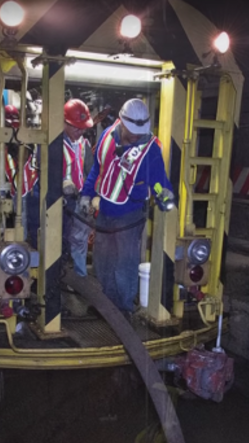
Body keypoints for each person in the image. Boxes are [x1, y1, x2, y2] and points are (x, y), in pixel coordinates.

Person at [80, 98, 175, 316]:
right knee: (103, 261)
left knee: (124, 264)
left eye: (139, 132)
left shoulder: (150, 150)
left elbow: (158, 181)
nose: (136, 136)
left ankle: (122, 309)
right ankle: (105, 304)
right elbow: (98, 168)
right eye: (132, 132)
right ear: (121, 122)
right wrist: (86, 194)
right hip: (104, 213)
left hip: (129, 216)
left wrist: (165, 196)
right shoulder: (106, 137)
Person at [61, 99, 94, 276]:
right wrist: (62, 184)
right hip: (61, 203)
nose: (80, 131)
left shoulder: (84, 144)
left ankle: (79, 278)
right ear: (64, 122)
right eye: (75, 127)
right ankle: (61, 278)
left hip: (80, 199)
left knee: (80, 240)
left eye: (82, 127)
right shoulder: (53, 143)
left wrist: (88, 196)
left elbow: (91, 172)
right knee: (62, 241)